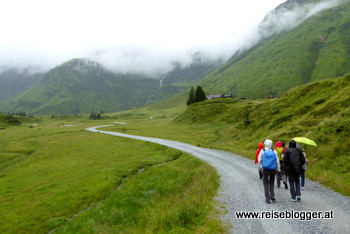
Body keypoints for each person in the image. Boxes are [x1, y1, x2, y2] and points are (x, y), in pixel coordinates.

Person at [258, 139, 280, 204]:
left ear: (265, 144)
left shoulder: (262, 151)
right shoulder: (274, 151)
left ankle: (267, 199)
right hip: (273, 169)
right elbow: (277, 161)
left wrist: (259, 167)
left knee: (265, 183)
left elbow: (259, 160)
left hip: (265, 169)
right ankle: (272, 195)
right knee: (272, 182)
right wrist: (278, 168)